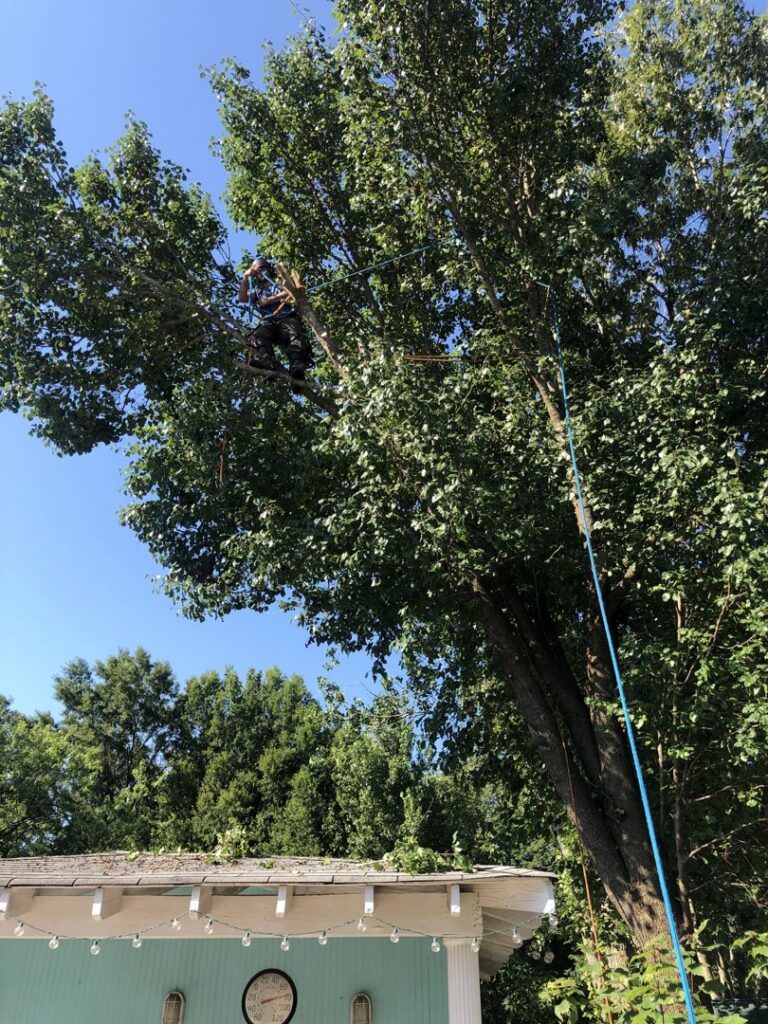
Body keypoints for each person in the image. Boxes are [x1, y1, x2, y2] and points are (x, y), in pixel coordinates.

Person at [239, 258, 313, 382]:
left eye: (262, 269)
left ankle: (297, 366)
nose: (260, 272)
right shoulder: (257, 291)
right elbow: (242, 298)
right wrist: (245, 278)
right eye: (257, 271)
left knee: (293, 335)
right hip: (269, 323)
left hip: (286, 317)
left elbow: (291, 289)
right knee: (259, 334)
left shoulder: (278, 283)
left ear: (269, 269)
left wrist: (270, 299)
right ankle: (267, 362)